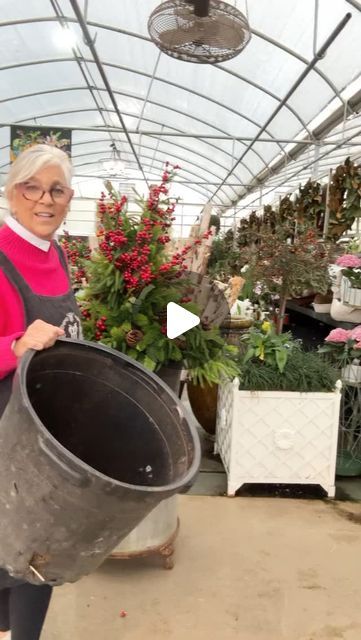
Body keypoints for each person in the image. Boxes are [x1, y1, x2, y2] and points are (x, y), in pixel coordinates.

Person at [0, 144, 82, 640]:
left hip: (48, 434)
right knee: (13, 546)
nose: (45, 200)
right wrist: (16, 343)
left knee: (39, 553)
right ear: (13, 193)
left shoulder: (59, 254)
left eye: (57, 189)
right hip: (5, 434)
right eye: (33, 187)